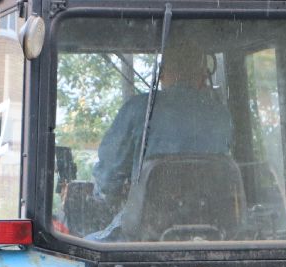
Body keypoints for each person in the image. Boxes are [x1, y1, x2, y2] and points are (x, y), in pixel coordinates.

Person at [92, 43, 233, 203]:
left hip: (149, 224)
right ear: (202, 76)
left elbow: (108, 179)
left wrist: (107, 194)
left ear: (161, 74)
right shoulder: (220, 114)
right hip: (211, 217)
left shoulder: (138, 108)